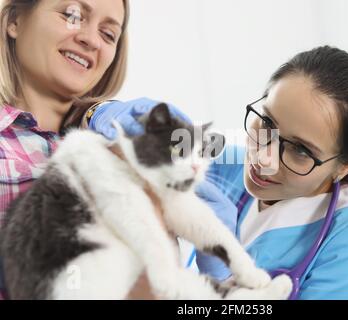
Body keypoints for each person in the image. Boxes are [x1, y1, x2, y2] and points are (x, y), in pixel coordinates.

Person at [0, 0, 231, 299]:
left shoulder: (125, 147)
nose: (91, 39)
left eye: (109, 34)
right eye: (72, 15)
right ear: (15, 20)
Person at [196, 46, 348, 299]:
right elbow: (172, 148)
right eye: (267, 123)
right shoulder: (231, 163)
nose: (264, 158)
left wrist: (223, 282)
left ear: (347, 165)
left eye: (300, 151)